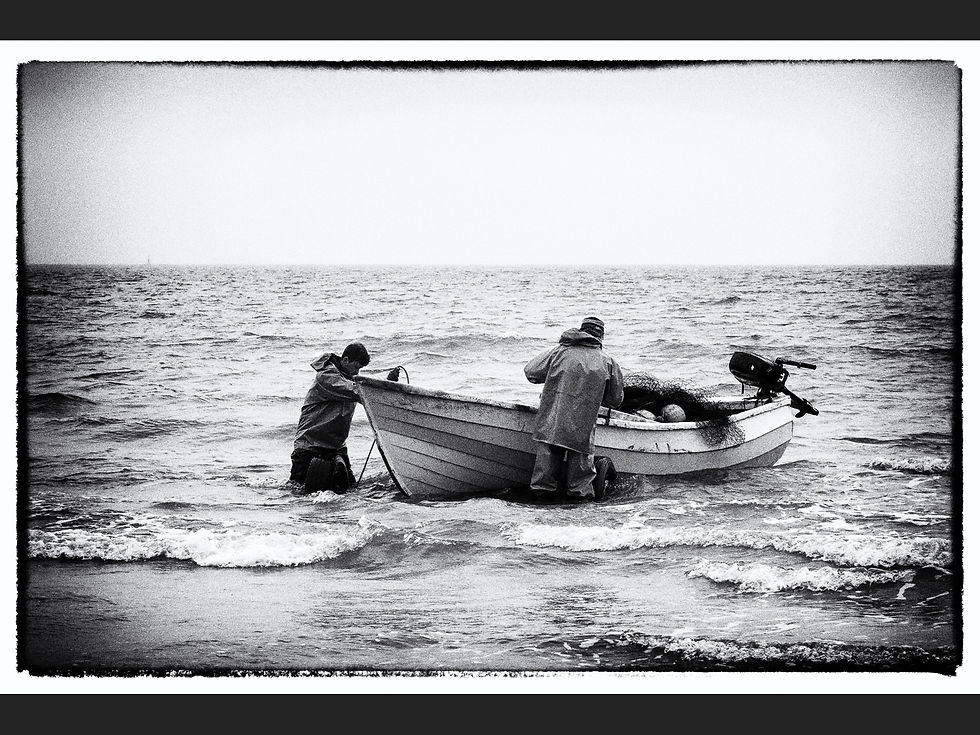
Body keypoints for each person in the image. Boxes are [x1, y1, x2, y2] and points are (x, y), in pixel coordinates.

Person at [524, 317, 624, 499]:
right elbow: (615, 400)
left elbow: (531, 372)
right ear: (600, 337)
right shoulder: (607, 362)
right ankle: (577, 515)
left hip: (551, 424)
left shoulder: (559, 352)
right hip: (582, 430)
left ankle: (540, 511)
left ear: (581, 331)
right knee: (580, 486)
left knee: (542, 484)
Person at [289, 342, 370, 493]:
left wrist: (388, 383)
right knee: (299, 493)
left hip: (336, 448)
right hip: (309, 446)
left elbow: (360, 389)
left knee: (350, 492)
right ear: (345, 360)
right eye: (356, 367)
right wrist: (381, 389)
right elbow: (356, 391)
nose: (357, 372)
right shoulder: (326, 377)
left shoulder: (348, 378)